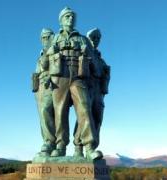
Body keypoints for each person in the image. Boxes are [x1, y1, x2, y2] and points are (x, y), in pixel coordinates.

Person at [46, 7, 97, 159]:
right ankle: (61, 145)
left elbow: (94, 62)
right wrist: (50, 54)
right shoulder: (54, 38)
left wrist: (87, 53)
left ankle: (89, 147)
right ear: (61, 20)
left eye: (72, 16)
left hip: (78, 76)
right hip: (59, 77)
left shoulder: (83, 39)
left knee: (84, 109)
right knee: (60, 112)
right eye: (67, 16)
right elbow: (44, 63)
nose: (70, 19)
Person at [84, 28, 110, 159]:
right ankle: (80, 146)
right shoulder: (84, 53)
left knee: (97, 118)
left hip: (99, 92)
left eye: (98, 38)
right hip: (87, 88)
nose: (95, 40)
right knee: (85, 117)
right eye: (93, 37)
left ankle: (93, 147)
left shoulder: (101, 60)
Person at [32, 28, 56, 157]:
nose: (45, 40)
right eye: (43, 38)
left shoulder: (55, 51)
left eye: (48, 37)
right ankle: (48, 144)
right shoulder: (41, 54)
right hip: (40, 88)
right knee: (42, 117)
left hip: (52, 85)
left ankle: (51, 142)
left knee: (47, 111)